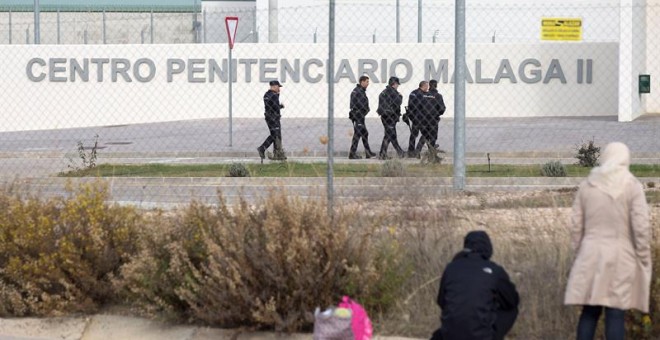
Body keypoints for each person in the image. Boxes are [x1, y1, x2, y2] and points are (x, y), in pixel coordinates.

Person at [564, 142, 651, 340]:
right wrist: (643, 256)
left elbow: (576, 226)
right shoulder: (632, 186)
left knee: (590, 311)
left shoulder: (587, 185)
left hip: (590, 253)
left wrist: (579, 253)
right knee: (615, 313)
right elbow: (641, 227)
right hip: (620, 256)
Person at [431, 230, 519, 340]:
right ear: (488, 248)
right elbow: (512, 300)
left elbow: (441, 301)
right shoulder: (495, 271)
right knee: (511, 309)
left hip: (449, 335)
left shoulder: (451, 268)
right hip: (481, 336)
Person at [376, 76, 405, 159]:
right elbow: (398, 102)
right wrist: (400, 96)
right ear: (394, 84)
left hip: (384, 116)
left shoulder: (384, 92)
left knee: (391, 135)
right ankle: (383, 154)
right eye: (397, 84)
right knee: (389, 135)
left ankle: (399, 152)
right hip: (390, 116)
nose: (398, 86)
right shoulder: (394, 92)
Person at [257, 80, 286, 162]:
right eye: (278, 87)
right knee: (276, 135)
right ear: (274, 86)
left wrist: (278, 104)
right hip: (274, 118)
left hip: (268, 117)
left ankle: (277, 153)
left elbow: (271, 106)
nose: (279, 89)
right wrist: (281, 105)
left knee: (275, 135)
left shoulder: (266, 95)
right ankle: (263, 148)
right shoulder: (274, 95)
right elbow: (276, 107)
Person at [348, 75, 376, 159]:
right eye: (367, 82)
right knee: (357, 134)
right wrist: (366, 109)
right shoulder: (358, 91)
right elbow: (360, 104)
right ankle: (352, 154)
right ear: (362, 82)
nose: (368, 83)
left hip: (360, 115)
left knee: (364, 133)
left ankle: (368, 153)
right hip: (358, 115)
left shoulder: (360, 91)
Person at [416, 79, 446, 154]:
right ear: (436, 86)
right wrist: (437, 113)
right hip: (433, 119)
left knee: (424, 135)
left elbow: (418, 106)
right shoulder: (438, 96)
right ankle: (431, 153)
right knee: (433, 136)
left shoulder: (423, 95)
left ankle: (417, 151)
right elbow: (442, 108)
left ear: (429, 86)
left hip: (423, 118)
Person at [406, 81, 429, 158]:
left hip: (416, 118)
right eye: (427, 86)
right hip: (421, 118)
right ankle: (417, 150)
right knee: (425, 134)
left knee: (414, 135)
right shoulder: (422, 94)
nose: (428, 88)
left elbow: (410, 105)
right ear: (424, 86)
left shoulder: (414, 93)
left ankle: (411, 151)